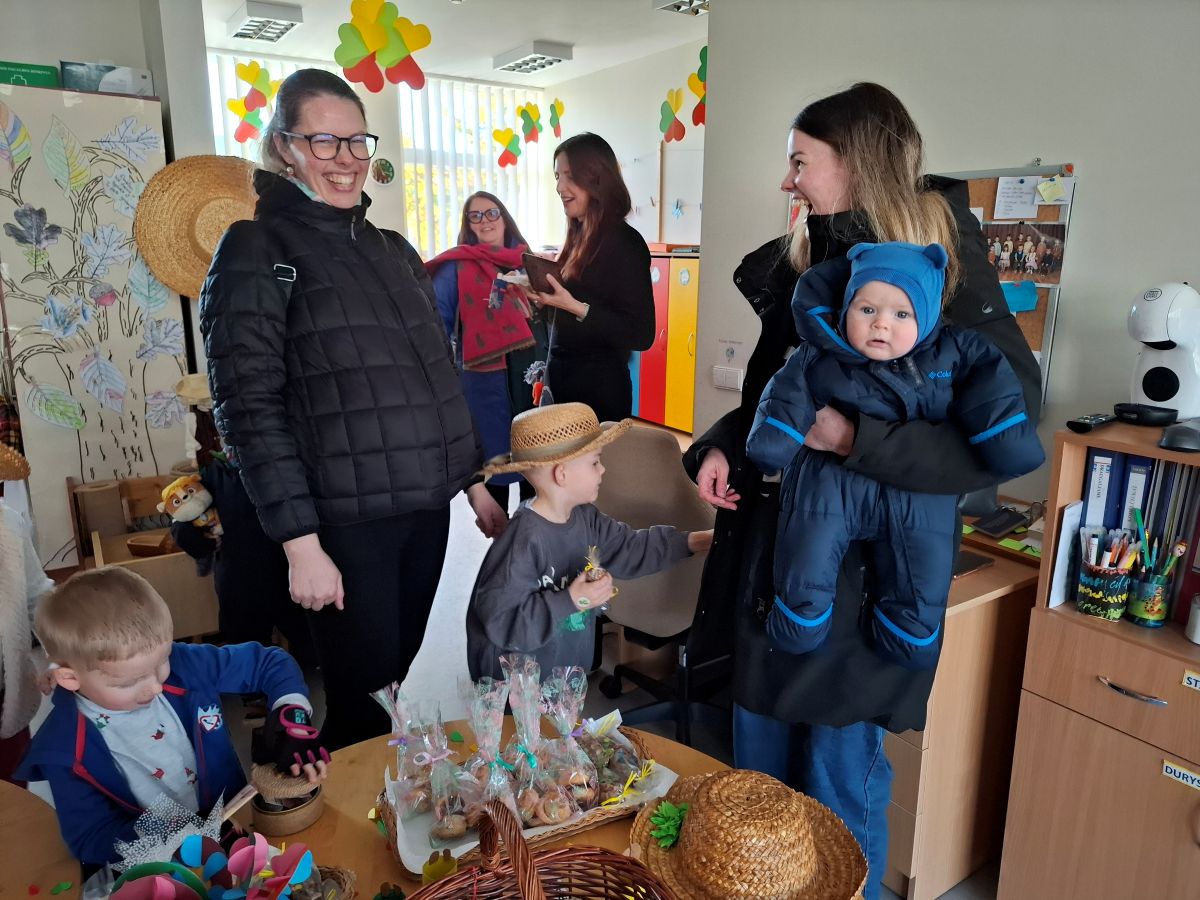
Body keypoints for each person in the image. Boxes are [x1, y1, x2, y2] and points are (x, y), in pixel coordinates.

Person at [683, 83, 1042, 900]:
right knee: (760, 802)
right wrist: (720, 447)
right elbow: (778, 396)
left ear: (855, 163)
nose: (788, 181)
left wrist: (857, 441)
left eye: (800, 162)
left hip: (868, 589)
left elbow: (1003, 432)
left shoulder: (937, 265)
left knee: (836, 802)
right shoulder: (809, 263)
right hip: (779, 570)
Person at [200, 68, 504, 750]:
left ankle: (384, 799)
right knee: (362, 703)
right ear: (284, 146)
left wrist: (474, 481)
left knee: (391, 684)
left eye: (356, 141)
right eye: (323, 141)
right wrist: (301, 544)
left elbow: (436, 376)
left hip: (422, 511)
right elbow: (247, 406)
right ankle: (345, 812)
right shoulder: (256, 247)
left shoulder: (392, 250)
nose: (345, 160)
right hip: (343, 521)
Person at [745, 240, 1043, 668]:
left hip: (915, 489)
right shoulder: (818, 354)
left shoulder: (956, 350)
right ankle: (799, 623)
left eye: (902, 314)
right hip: (831, 482)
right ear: (846, 307)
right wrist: (772, 443)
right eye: (867, 309)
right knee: (807, 552)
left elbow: (993, 390)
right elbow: (783, 397)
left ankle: (908, 635)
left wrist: (1008, 443)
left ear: (926, 316)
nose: (881, 324)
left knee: (923, 570)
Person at [16, 568, 328, 868]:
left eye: (161, 662)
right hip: (166, 872)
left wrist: (292, 716)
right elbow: (92, 838)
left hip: (239, 830)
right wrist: (180, 836)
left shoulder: (184, 665)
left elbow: (269, 663)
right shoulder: (63, 751)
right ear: (70, 678)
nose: (155, 686)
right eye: (129, 682)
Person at [466, 403, 712, 680]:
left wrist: (693, 541)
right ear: (562, 474)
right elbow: (501, 621)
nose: (603, 470)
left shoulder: (585, 518)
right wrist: (572, 599)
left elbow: (629, 547)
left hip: (562, 676)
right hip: (518, 687)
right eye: (595, 462)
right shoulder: (523, 541)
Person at [426, 193, 546, 513]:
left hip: (531, 381)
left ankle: (534, 538)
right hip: (485, 387)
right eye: (475, 216)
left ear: (504, 217)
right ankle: (501, 537)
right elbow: (435, 326)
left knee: (536, 475)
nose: (485, 221)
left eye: (492, 212)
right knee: (495, 469)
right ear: (468, 225)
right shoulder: (455, 267)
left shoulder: (528, 261)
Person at [527, 133, 655, 421]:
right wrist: (542, 300)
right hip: (562, 386)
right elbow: (568, 322)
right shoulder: (577, 238)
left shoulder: (625, 242)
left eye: (569, 176)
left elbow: (641, 334)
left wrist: (575, 307)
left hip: (599, 394)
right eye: (557, 177)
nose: (559, 187)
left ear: (596, 179)